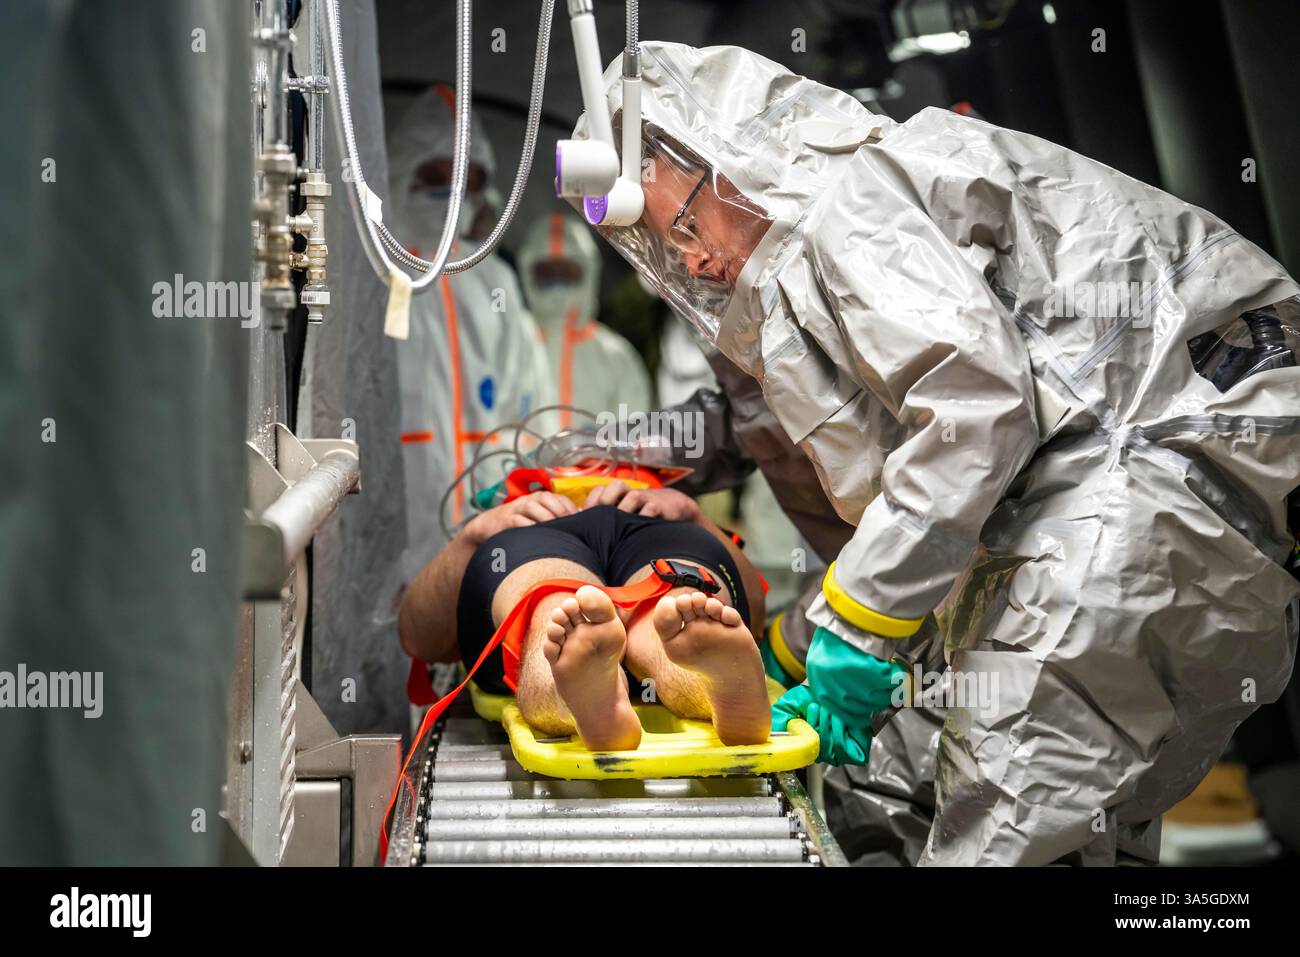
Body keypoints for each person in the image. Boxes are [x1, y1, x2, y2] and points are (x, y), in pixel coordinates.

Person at [573, 42, 1300, 865]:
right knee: (1001, 814)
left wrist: (852, 631)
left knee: (1000, 837)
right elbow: (949, 496)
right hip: (1178, 535)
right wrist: (818, 641)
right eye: (668, 254)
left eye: (686, 224)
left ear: (730, 151)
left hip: (1136, 511)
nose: (696, 261)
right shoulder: (822, 253)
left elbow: (975, 410)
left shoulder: (856, 203)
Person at [398, 483, 769, 749]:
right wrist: (474, 534)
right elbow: (418, 637)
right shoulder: (512, 499)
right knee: (562, 609)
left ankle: (709, 686)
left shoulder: (667, 494)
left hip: (651, 522)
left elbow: (754, 616)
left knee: (670, 609)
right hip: (538, 529)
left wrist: (692, 514)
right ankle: (605, 692)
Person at [387, 86, 554, 581]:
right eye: (435, 176)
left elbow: (527, 411)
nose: (452, 195)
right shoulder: (374, 275)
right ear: (400, 174)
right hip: (391, 516)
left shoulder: (493, 282)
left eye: (466, 180)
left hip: (486, 520)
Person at [518, 211, 652, 429]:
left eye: (567, 272)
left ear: (589, 273)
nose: (557, 283)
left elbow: (634, 437)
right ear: (527, 274)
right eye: (547, 272)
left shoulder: (616, 357)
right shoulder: (512, 345)